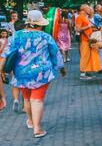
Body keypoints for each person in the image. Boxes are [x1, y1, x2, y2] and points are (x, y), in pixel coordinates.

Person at [0, 10, 65, 138]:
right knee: (37, 99)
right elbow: (56, 54)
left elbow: (5, 55)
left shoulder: (16, 36)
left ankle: (30, 121)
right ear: (40, 24)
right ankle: (37, 128)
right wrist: (61, 68)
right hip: (42, 73)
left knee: (27, 98)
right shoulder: (46, 37)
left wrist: (1, 70)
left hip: (21, 73)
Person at [76, 4, 101, 80]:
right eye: (87, 8)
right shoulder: (79, 17)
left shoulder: (85, 17)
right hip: (84, 40)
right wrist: (88, 26)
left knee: (88, 57)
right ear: (82, 9)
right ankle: (82, 74)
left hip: (88, 39)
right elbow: (78, 29)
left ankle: (87, 72)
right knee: (84, 57)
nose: (89, 9)